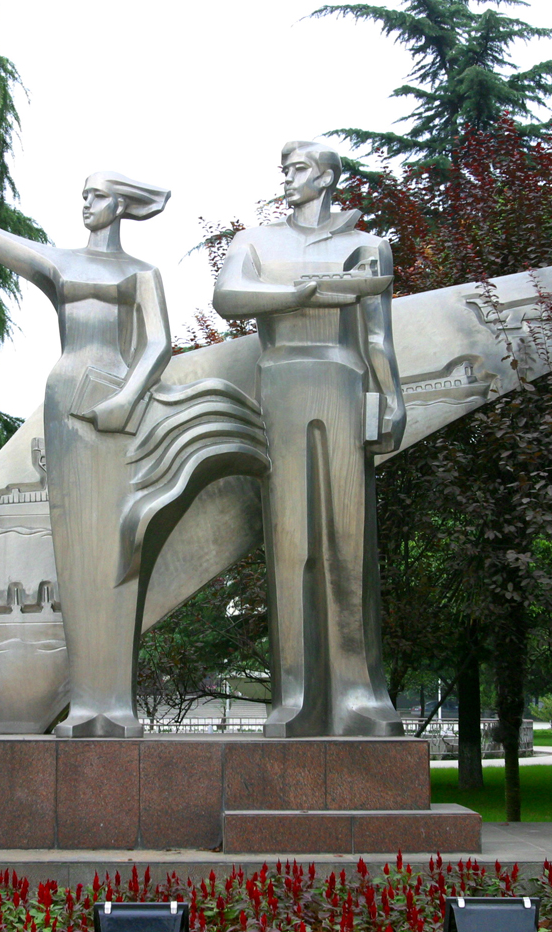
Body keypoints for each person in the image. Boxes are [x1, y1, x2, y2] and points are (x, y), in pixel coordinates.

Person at [0, 170, 172, 737]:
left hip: (117, 403)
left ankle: (114, 703)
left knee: (113, 543)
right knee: (74, 547)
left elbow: (159, 344)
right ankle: (89, 702)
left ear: (120, 206)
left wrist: (127, 399)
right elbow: (5, 244)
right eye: (83, 196)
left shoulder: (140, 272)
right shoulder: (61, 263)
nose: (87, 204)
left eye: (97, 196)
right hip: (67, 396)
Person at [213, 140, 406, 737]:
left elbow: (377, 336)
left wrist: (392, 397)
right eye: (285, 170)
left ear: (325, 178)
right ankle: (294, 693)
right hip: (281, 384)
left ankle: (358, 692)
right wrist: (299, 294)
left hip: (343, 384)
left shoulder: (367, 246)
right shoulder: (255, 241)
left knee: (349, 539)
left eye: (298, 169)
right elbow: (227, 298)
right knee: (290, 539)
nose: (288, 179)